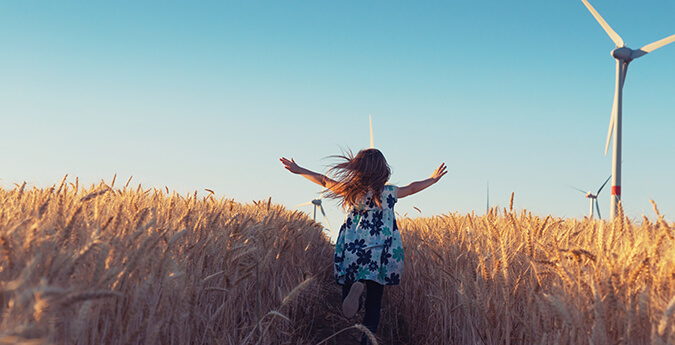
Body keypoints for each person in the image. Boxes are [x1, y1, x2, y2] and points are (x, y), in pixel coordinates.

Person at [280, 148, 447, 344]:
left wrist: (299, 169)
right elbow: (411, 188)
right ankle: (367, 340)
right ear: (383, 169)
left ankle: (352, 299)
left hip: (354, 249)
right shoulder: (390, 192)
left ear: (357, 168)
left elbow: (324, 180)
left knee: (349, 285)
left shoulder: (350, 190)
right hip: (380, 252)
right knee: (374, 303)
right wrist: (432, 179)